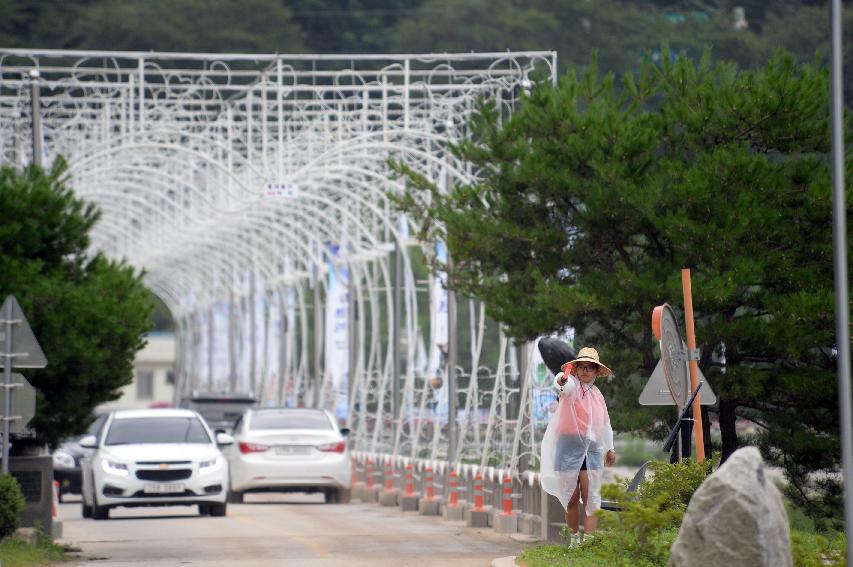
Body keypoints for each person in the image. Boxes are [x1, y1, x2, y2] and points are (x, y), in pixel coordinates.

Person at [540, 346, 616, 546]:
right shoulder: (572, 385)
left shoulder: (598, 395)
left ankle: (588, 541)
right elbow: (561, 383)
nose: (584, 371)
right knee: (571, 497)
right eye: (581, 367)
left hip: (591, 450)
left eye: (589, 368)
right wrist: (562, 380)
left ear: (595, 371)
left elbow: (605, 424)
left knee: (591, 496)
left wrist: (610, 448)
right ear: (575, 369)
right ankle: (574, 540)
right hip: (568, 447)